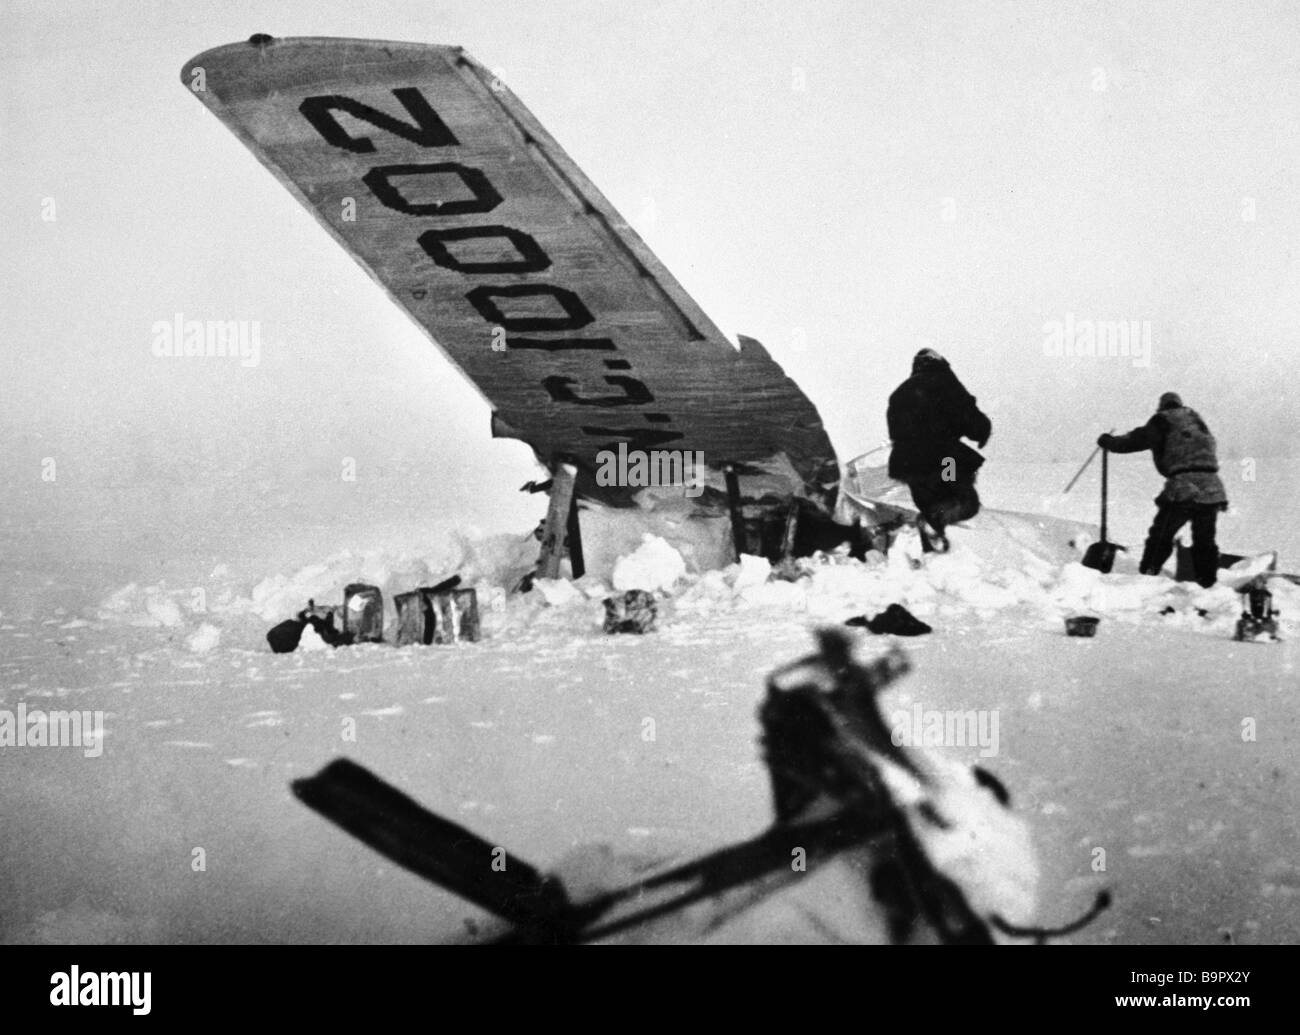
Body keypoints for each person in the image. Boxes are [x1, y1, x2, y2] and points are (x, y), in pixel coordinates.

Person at [1098, 392, 1227, 587]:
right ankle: (1207, 585)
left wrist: (1109, 442)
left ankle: (1147, 576)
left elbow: (1135, 440)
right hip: (1212, 487)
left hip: (1183, 486)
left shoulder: (1162, 421)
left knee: (1161, 535)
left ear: (1162, 407)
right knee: (1204, 540)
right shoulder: (1196, 421)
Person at [887, 348, 992, 552]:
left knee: (930, 502)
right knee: (962, 500)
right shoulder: (945, 383)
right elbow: (969, 417)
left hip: (908, 466)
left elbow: (897, 431)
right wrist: (982, 431)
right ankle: (934, 522)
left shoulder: (899, 393)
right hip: (945, 460)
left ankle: (933, 553)